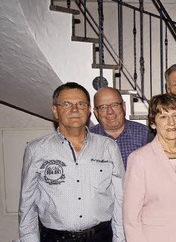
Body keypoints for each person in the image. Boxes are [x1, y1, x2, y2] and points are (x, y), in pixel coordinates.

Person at [19, 82, 125, 241]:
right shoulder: (36, 150)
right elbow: (27, 205)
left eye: (81, 104)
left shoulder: (108, 147)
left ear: (89, 110)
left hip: (101, 237)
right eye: (67, 104)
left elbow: (120, 198)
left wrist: (120, 238)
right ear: (55, 110)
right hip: (55, 238)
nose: (74, 110)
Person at [123, 93, 176, 242]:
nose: (171, 122)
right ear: (153, 123)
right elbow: (131, 217)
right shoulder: (139, 159)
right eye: (163, 117)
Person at [90, 86, 151, 169]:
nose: (110, 111)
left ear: (124, 106)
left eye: (115, 105)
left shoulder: (145, 135)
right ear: (96, 113)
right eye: (103, 107)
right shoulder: (87, 139)